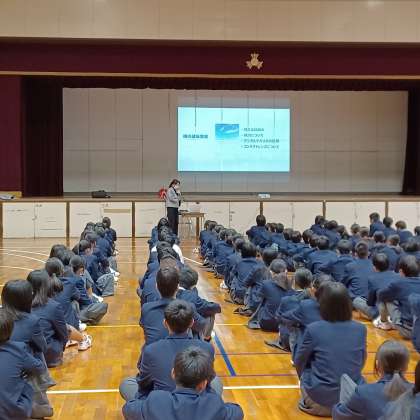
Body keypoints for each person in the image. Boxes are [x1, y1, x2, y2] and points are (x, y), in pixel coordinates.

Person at [120, 300, 219, 402]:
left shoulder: (151, 350)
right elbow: (208, 380)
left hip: (162, 403)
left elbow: (143, 385)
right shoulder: (207, 348)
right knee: (216, 381)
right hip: (196, 401)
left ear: (165, 323)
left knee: (127, 384)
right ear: (192, 323)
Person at [295, 282, 367, 416]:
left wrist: (305, 379)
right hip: (352, 400)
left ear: (323, 305)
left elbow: (299, 361)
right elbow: (361, 360)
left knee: (306, 370)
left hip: (319, 400)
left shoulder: (314, 329)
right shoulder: (360, 329)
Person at [122, 347, 244, 420]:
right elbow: (238, 411)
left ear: (173, 374)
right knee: (216, 382)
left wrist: (148, 405)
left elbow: (128, 409)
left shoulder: (157, 399)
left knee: (126, 385)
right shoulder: (214, 403)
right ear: (204, 383)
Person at [1, 280, 54, 418]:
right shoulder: (31, 320)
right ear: (27, 299)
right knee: (37, 353)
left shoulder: (2, 316)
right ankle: (40, 404)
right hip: (21, 366)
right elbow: (43, 347)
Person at [332, 340, 411, 420]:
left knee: (346, 382)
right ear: (406, 367)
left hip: (358, 400)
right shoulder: (416, 392)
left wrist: (339, 407)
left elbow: (339, 416)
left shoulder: (364, 392)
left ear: (377, 365)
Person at [0, 308, 47, 420]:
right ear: (11, 329)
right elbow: (39, 368)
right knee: (30, 372)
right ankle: (41, 409)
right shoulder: (17, 348)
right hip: (13, 412)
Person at [27, 270, 69, 367]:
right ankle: (83, 339)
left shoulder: (21, 303)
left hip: (28, 356)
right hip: (49, 356)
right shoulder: (53, 306)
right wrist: (60, 349)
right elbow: (64, 334)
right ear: (48, 285)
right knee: (67, 328)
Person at [376, 255, 420, 337]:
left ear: (401, 271)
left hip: (407, 331)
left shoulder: (398, 283)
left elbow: (380, 295)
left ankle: (384, 323)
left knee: (386, 299)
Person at [247, 258, 291, 331]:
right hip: (284, 325)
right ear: (286, 271)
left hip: (266, 324)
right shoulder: (291, 284)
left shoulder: (266, 283)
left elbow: (257, 301)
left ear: (271, 272)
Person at [343, 242, 376, 319]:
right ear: (368, 253)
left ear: (355, 254)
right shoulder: (375, 265)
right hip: (372, 302)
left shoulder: (349, 266)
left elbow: (343, 284)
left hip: (355, 301)